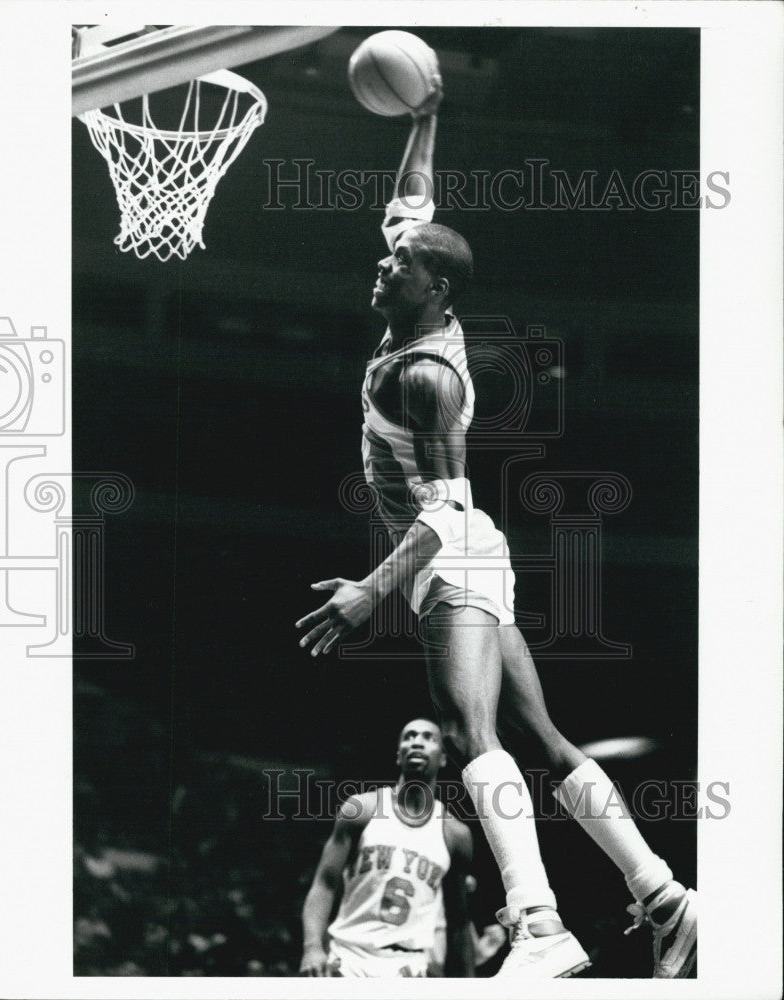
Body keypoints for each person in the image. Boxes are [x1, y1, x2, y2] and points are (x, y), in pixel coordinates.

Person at [296, 77, 697, 981]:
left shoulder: (425, 379)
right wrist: (426, 118)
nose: (381, 265)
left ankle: (537, 924)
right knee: (545, 741)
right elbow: (412, 207)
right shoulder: (415, 315)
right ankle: (665, 899)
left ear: (433, 287)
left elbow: (439, 509)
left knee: (471, 735)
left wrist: (372, 589)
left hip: (452, 553)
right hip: (474, 547)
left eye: (397, 265)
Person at [299, 717, 475, 978]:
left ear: (443, 758)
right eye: (409, 736)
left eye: (429, 737)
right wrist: (312, 947)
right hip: (348, 958)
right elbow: (325, 883)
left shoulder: (455, 835)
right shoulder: (361, 809)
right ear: (398, 756)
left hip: (409, 967)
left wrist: (468, 984)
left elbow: (459, 922)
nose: (417, 742)